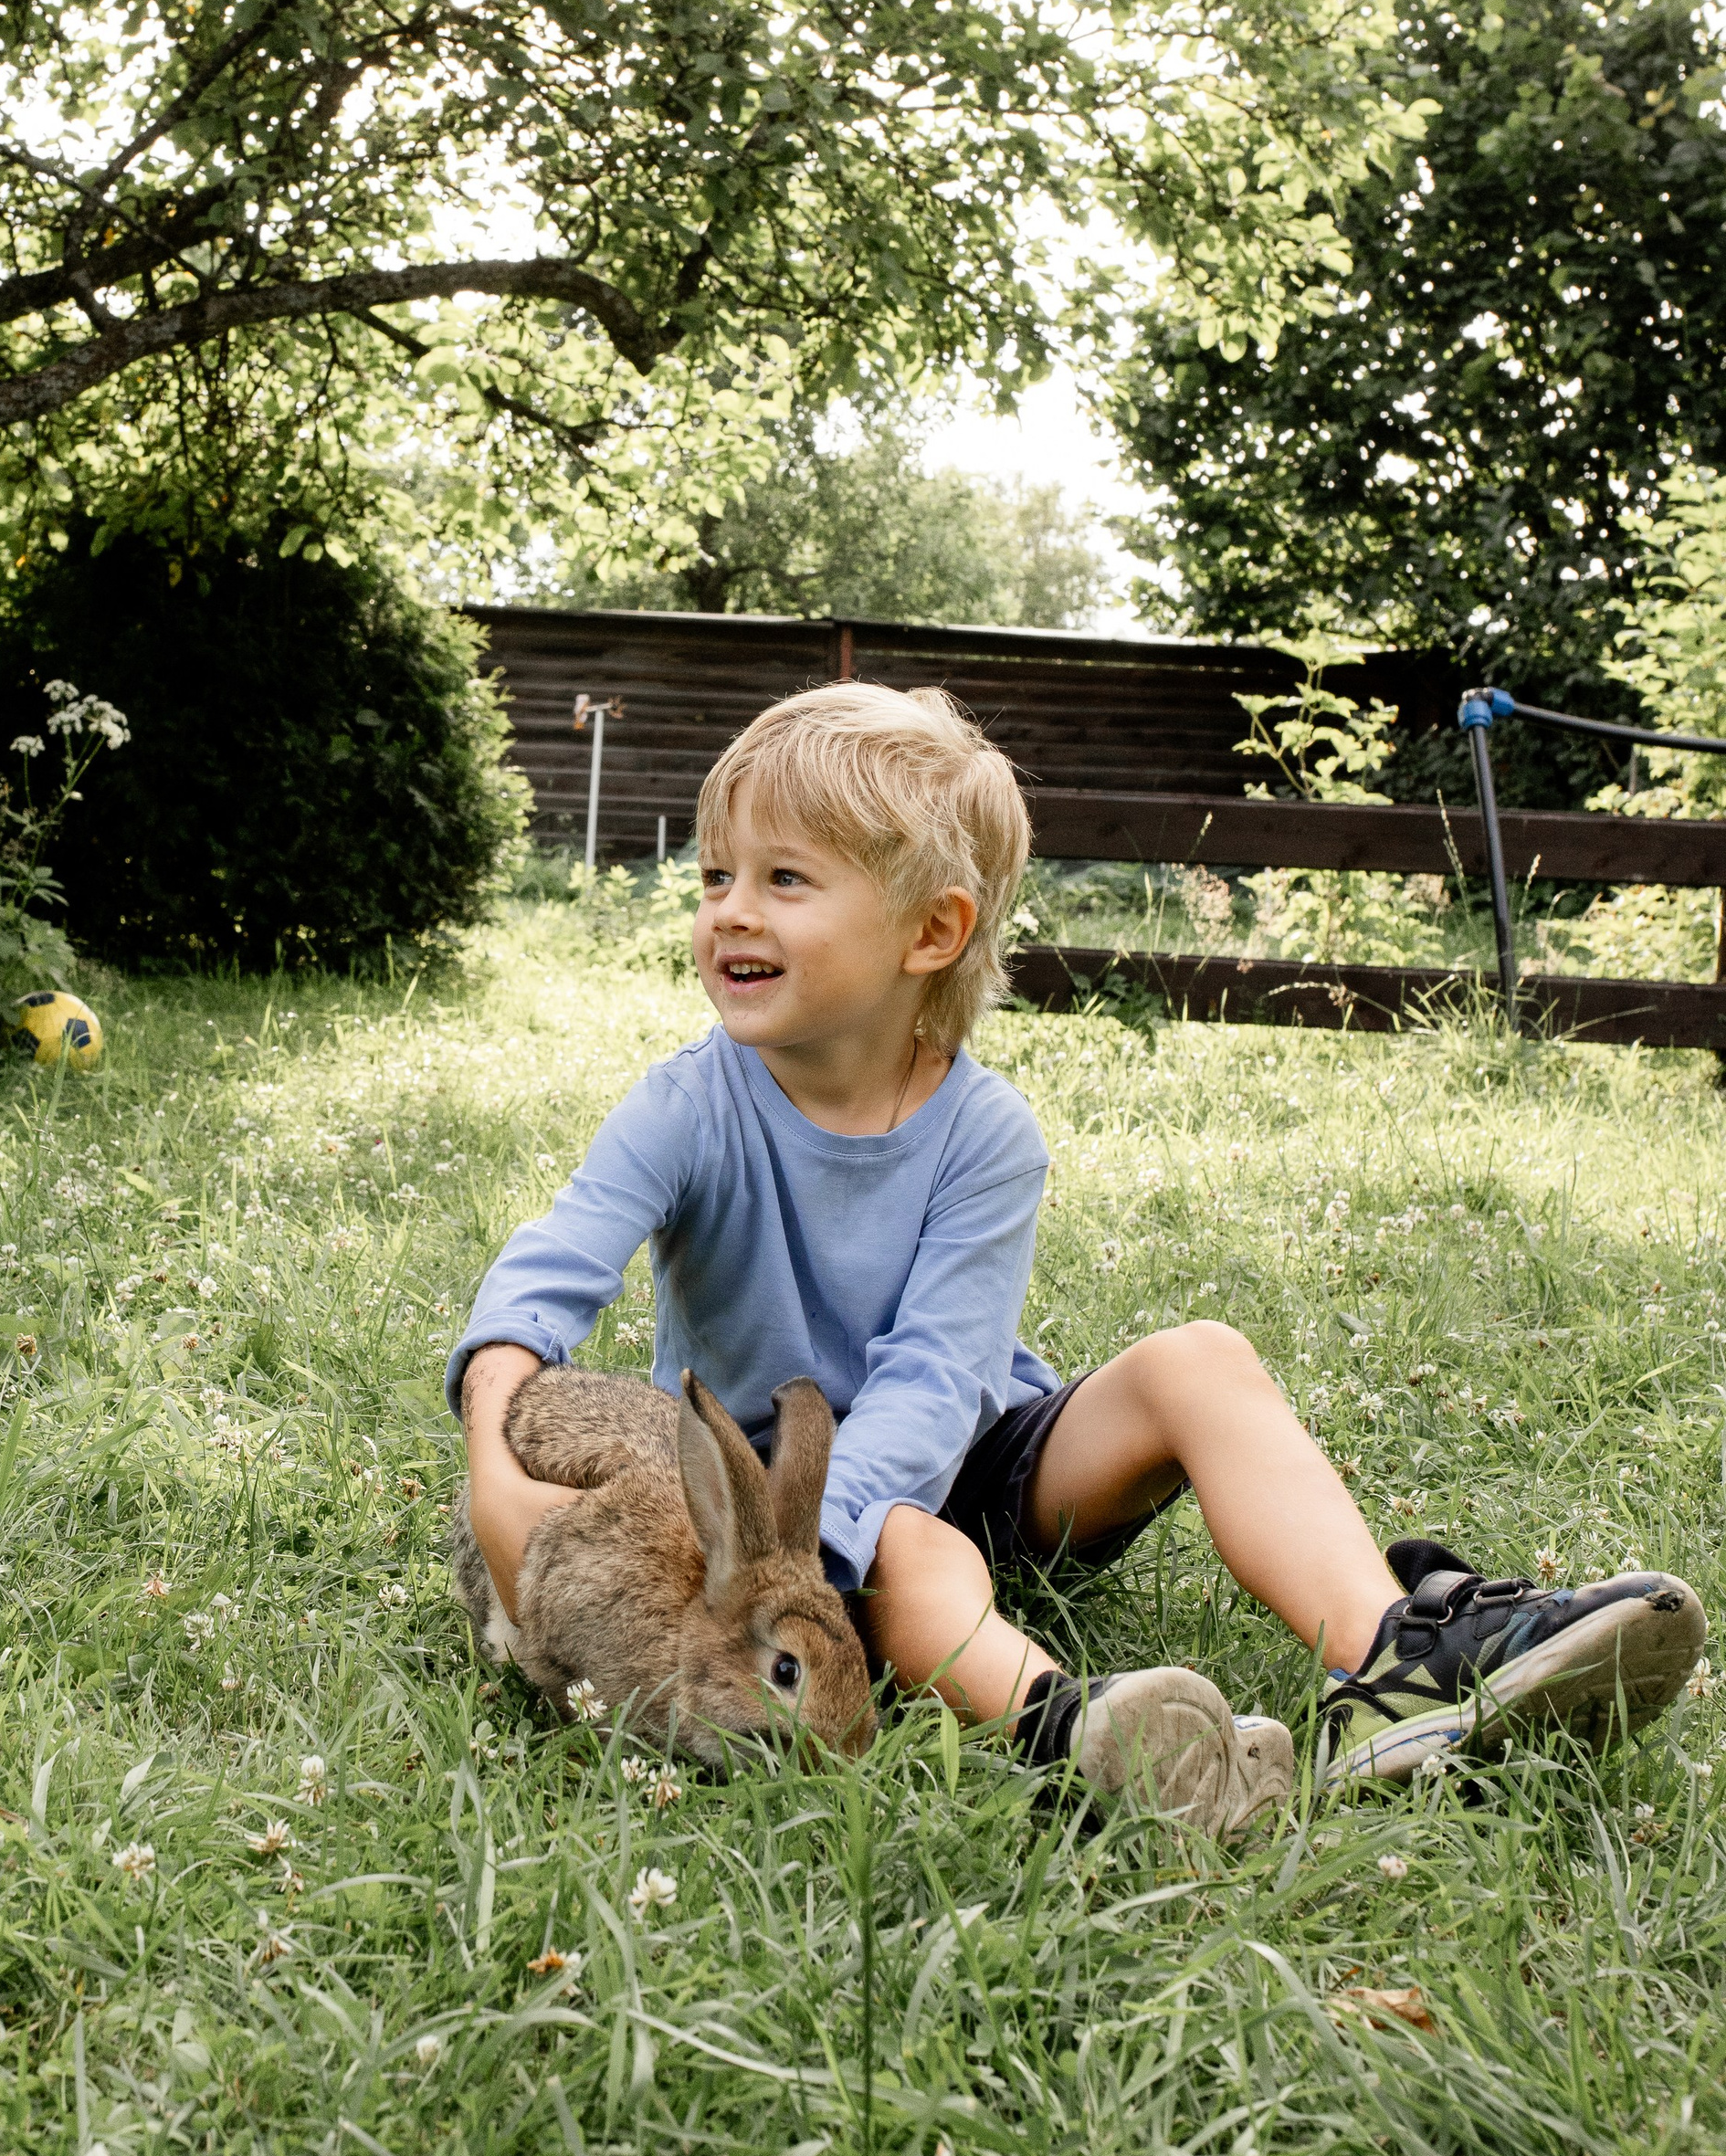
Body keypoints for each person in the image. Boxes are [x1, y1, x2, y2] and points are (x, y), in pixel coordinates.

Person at [450, 683, 1705, 1830]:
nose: (729, 907)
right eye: (717, 874)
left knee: (1197, 1362)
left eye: (785, 878)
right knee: (915, 1551)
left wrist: (822, 1539)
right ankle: (1085, 1740)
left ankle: (1393, 1656)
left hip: (960, 1460)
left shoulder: (983, 1134)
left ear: (929, 931)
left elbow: (939, 1380)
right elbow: (552, 1268)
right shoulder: (690, 1106)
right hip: (764, 1510)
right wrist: (499, 1459)